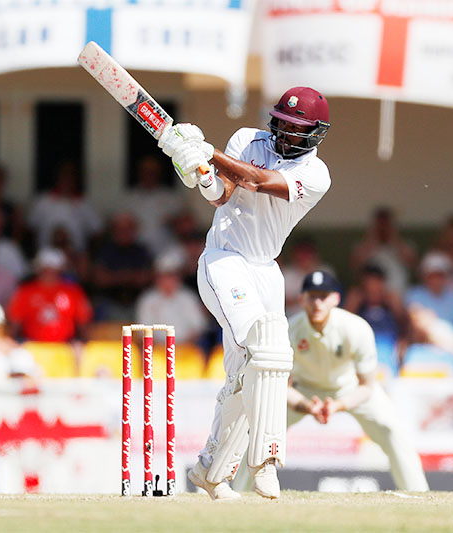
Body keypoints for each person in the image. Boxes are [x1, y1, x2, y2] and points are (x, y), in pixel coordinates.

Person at [156, 87, 332, 499]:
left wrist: (207, 151)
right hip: (224, 259)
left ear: (315, 133)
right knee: (265, 352)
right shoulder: (246, 140)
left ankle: (210, 472)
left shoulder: (317, 174)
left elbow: (256, 180)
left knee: (247, 373)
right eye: (283, 123)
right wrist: (199, 173)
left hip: (266, 270)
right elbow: (223, 195)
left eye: (297, 127)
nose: (286, 133)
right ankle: (266, 461)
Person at [234, 270, 429, 492]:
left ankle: (418, 493)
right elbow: (279, 387)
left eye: (323, 297)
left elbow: (367, 386)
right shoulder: (288, 330)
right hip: (304, 390)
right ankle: (238, 494)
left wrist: (337, 405)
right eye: (312, 296)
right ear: (302, 299)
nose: (317, 303)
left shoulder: (356, 328)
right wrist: (307, 405)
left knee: (393, 430)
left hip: (350, 389)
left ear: (336, 299)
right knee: (259, 433)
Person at [7, 247, 93, 343]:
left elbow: (83, 324)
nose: (49, 274)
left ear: (60, 270)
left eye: (53, 269)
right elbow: (14, 325)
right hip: (33, 346)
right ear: (38, 269)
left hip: (65, 346)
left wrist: (84, 344)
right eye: (45, 269)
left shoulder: (73, 292)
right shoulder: (24, 292)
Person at [404, 252, 453, 360]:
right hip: (423, 347)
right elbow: (417, 322)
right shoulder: (415, 295)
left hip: (452, 352)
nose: (436, 279)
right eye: (432, 275)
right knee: (432, 326)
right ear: (424, 276)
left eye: (440, 275)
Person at [26, 159, 103, 254]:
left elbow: (98, 232)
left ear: (76, 178)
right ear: (57, 176)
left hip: (75, 259)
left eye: (71, 175)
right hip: (46, 258)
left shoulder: (85, 203)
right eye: (64, 174)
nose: (67, 178)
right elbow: (30, 229)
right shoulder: (43, 201)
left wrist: (89, 254)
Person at [136, 248, 207, 345]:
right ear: (157, 277)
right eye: (165, 275)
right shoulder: (147, 299)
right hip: (156, 352)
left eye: (172, 275)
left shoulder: (189, 297)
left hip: (186, 352)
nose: (169, 280)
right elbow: (143, 330)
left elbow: (199, 327)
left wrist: (182, 346)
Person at [90, 212, 154, 321]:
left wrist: (117, 276)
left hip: (137, 302)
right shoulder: (105, 250)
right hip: (110, 301)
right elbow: (99, 278)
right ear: (113, 230)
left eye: (128, 229)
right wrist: (126, 276)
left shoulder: (141, 250)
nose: (124, 232)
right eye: (120, 229)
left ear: (134, 230)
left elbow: (147, 277)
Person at [124, 154, 184, 255]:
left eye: (153, 172)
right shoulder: (130, 197)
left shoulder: (171, 197)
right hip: (135, 251)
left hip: (165, 250)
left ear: (159, 173)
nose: (149, 175)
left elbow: (182, 225)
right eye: (146, 171)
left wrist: (174, 222)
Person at [350, 207, 418, 295]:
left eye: (386, 224)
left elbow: (413, 265)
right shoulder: (363, 246)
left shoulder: (405, 245)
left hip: (399, 293)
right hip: (371, 294)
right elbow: (355, 266)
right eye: (380, 224)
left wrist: (394, 237)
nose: (383, 227)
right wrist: (373, 237)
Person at [343, 261, 406, 344]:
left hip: (390, 347)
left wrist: (396, 306)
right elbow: (343, 327)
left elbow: (405, 327)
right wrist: (352, 303)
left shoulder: (391, 303)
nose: (373, 290)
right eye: (368, 287)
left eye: (377, 286)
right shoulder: (357, 305)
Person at [280, 239, 335, 316]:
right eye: (301, 253)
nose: (304, 257)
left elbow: (333, 296)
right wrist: (304, 298)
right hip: (292, 319)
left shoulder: (325, 270)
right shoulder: (287, 273)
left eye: (307, 253)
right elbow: (279, 301)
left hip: (320, 318)